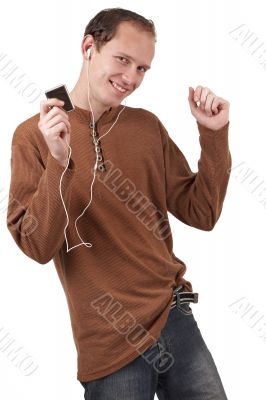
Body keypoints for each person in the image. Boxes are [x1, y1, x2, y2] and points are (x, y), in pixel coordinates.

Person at [6, 7, 231, 400]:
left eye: (143, 68)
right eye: (123, 60)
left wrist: (213, 135)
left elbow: (202, 212)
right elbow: (37, 246)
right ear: (88, 47)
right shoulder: (35, 134)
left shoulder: (146, 126)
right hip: (109, 336)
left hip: (172, 312)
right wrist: (59, 164)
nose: (131, 78)